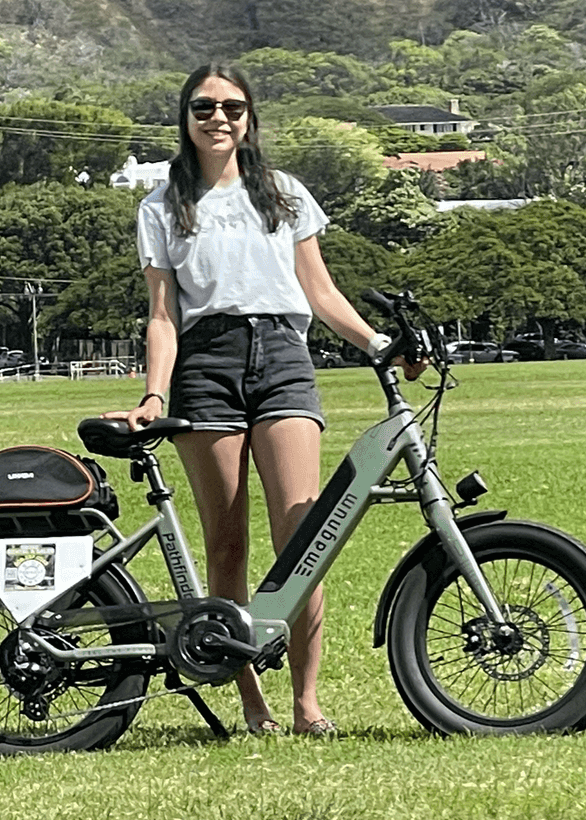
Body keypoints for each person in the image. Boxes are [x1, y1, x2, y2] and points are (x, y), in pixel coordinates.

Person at [105, 63, 394, 738]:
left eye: (232, 107)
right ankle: (251, 700)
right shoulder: (162, 205)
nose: (218, 118)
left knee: (304, 537)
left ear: (249, 117)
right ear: (185, 118)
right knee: (227, 542)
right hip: (206, 364)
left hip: (283, 358)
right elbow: (163, 314)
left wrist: (378, 343)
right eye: (204, 107)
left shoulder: (283, 193)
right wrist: (153, 393)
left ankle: (307, 703)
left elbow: (321, 293)